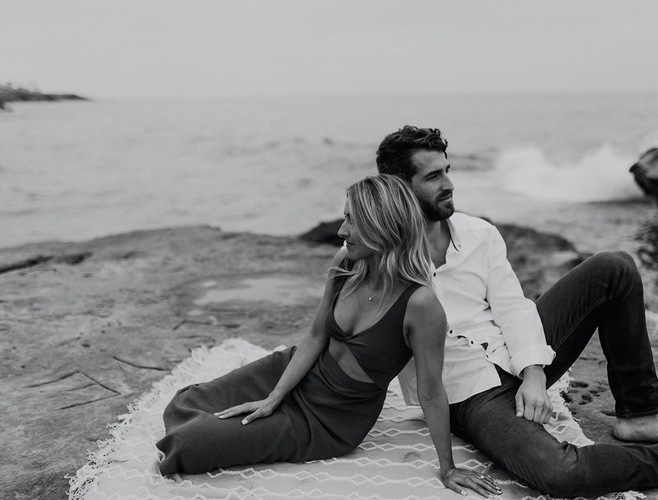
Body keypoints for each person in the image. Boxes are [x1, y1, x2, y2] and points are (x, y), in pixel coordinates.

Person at [376, 125, 658, 497]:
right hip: (468, 396)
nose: (448, 183)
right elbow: (348, 339)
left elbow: (512, 307)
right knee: (560, 475)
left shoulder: (478, 233)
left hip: (514, 354)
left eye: (447, 170)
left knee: (613, 267)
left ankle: (640, 416)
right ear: (399, 189)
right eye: (433, 176)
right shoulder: (378, 261)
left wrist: (533, 373)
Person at [155, 175, 499, 497]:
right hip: (295, 370)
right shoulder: (347, 263)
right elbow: (317, 335)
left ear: (383, 227)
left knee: (189, 444)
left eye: (352, 221)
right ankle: (261, 407)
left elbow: (432, 392)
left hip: (329, 418)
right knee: (187, 401)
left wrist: (448, 468)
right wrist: (274, 397)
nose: (341, 230)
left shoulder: (421, 305)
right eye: (344, 217)